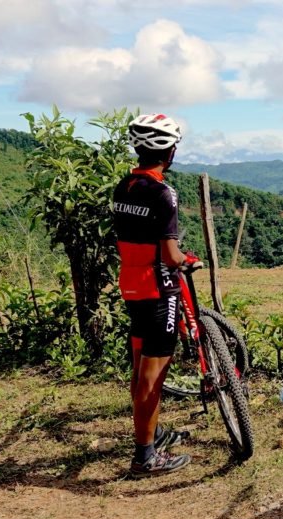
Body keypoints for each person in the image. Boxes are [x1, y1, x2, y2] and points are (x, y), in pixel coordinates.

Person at [113, 113, 193, 477]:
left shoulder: (124, 186)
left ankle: (152, 433)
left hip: (131, 284)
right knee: (153, 376)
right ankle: (145, 456)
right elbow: (170, 255)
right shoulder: (164, 193)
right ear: (170, 152)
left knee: (139, 367)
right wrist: (187, 259)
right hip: (159, 289)